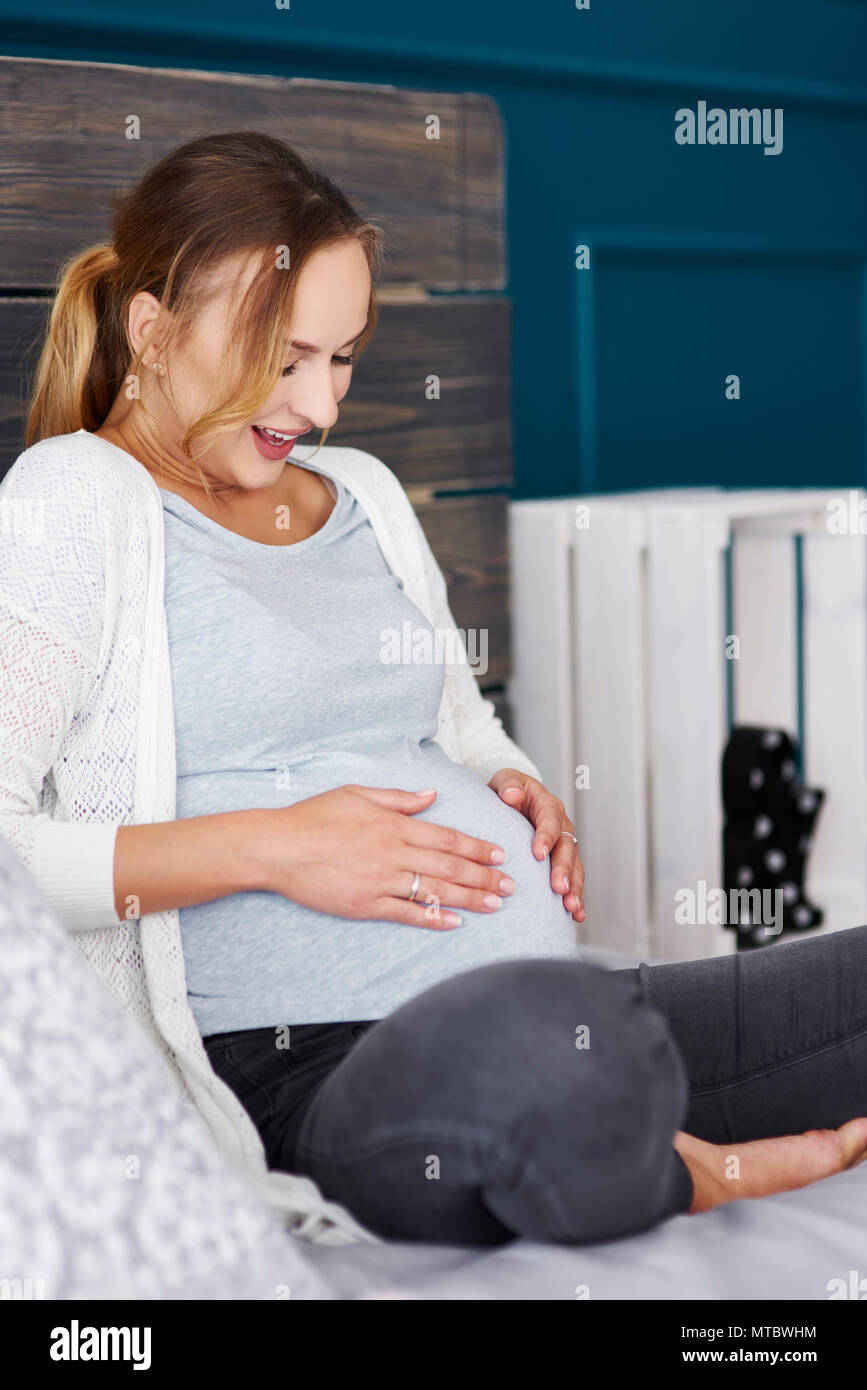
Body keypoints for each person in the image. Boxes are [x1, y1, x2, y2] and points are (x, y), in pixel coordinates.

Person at [4, 131, 866, 1247]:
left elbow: (456, 723)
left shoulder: (360, 491)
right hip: (316, 1065)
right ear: (154, 329)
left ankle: (611, 1119)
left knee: (661, 1019)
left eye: (344, 358)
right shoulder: (75, 501)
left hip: (553, 1006)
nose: (317, 404)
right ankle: (661, 1159)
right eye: (283, 353)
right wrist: (275, 844)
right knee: (536, 1056)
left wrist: (512, 783)